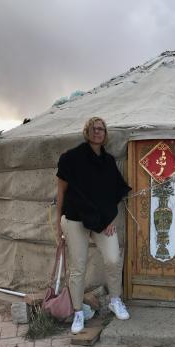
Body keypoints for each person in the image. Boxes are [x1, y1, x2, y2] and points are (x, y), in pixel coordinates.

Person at [56, 116, 131, 334]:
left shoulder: (108, 162)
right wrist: (56, 224)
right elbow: (61, 192)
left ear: (105, 134)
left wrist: (108, 220)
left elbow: (114, 193)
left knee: (113, 258)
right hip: (75, 218)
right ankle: (78, 311)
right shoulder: (71, 158)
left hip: (102, 221)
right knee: (78, 266)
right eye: (94, 128)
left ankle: (115, 299)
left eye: (102, 129)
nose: (98, 132)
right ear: (87, 131)